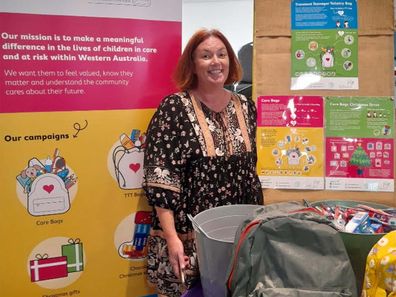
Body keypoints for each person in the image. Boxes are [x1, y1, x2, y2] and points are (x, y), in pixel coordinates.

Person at [142, 28, 263, 297]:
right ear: (193, 65)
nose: (216, 62)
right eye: (206, 56)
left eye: (222, 54)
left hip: (237, 234)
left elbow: (249, 172)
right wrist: (172, 238)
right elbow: (161, 176)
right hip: (189, 237)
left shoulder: (246, 106)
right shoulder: (174, 107)